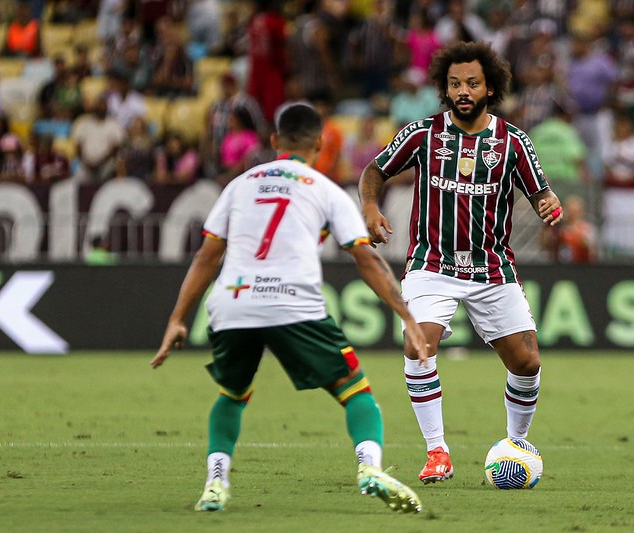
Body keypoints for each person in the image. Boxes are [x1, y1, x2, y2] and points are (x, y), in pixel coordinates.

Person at [151, 103, 427, 514]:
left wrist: (177, 319)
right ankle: (370, 468)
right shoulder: (325, 188)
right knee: (356, 392)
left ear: (275, 141)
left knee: (232, 394)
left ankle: (215, 483)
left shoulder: (239, 185)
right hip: (293, 303)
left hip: (233, 303)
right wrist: (407, 316)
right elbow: (366, 259)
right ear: (319, 143)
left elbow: (207, 257)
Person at [358, 41, 562, 485]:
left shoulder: (513, 142)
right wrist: (371, 208)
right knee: (418, 345)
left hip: (491, 267)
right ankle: (437, 452)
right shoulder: (421, 134)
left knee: (527, 363)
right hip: (432, 262)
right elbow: (374, 170)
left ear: (490, 88)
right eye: (454, 84)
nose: (463, 91)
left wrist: (549, 203)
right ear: (444, 89)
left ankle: (515, 445)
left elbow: (540, 191)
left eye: (472, 83)